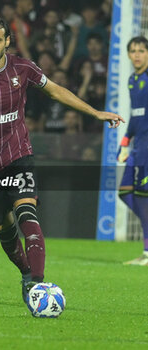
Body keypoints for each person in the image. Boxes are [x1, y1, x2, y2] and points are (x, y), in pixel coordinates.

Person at [0, 16, 124, 302]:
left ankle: (38, 284)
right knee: (5, 232)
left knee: (27, 213)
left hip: (17, 155)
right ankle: (25, 272)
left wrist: (95, 113)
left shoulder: (23, 68)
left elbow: (56, 90)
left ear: (8, 41)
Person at [118, 36, 148, 266]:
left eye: (141, 50)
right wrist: (126, 139)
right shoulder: (132, 80)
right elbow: (137, 116)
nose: (137, 54)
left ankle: (147, 252)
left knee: (141, 196)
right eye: (133, 50)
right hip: (138, 146)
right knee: (125, 191)